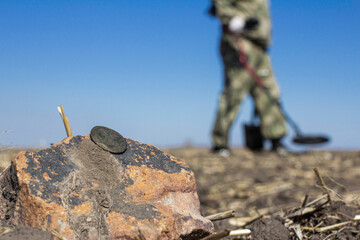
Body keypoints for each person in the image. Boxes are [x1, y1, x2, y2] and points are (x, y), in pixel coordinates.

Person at [210, 0, 288, 157]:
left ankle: (276, 140)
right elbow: (221, 5)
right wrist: (236, 20)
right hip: (239, 41)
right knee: (234, 92)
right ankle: (220, 144)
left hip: (260, 47)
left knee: (269, 91)